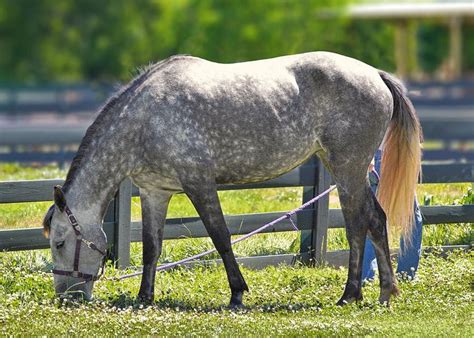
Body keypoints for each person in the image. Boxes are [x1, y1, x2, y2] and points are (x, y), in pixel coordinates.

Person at [362, 149, 423, 282]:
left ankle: (365, 274)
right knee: (411, 217)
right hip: (393, 152)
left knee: (374, 216)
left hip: (394, 153)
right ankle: (406, 273)